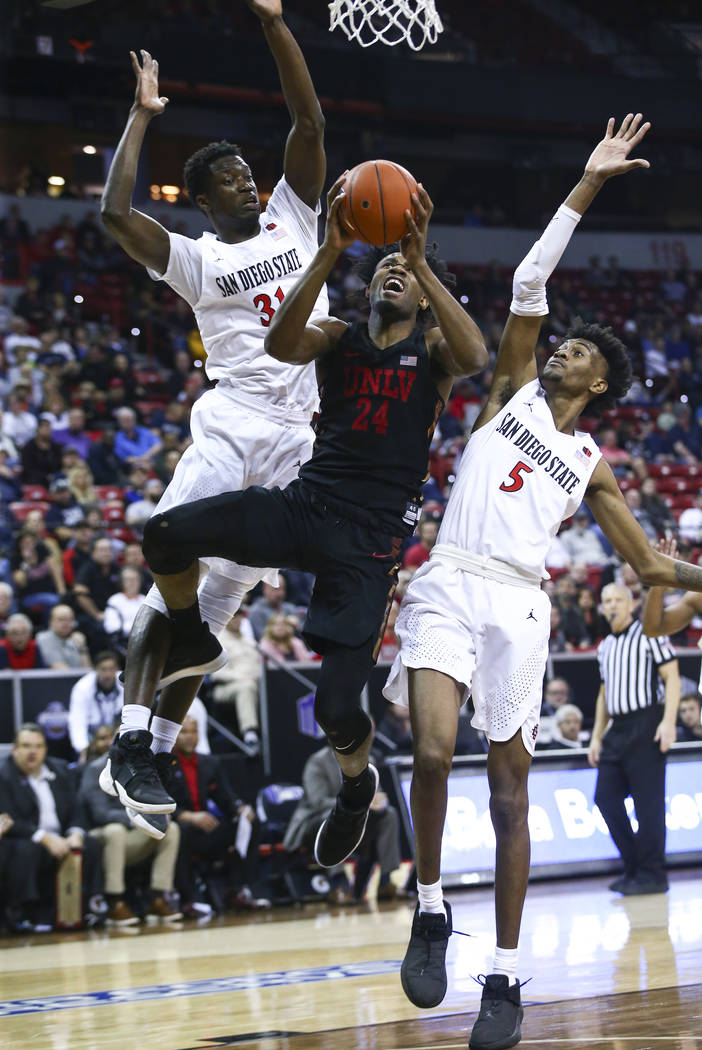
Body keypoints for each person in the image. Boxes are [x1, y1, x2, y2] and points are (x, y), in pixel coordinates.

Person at [379, 116, 702, 1049]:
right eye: (561, 343)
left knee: (513, 795)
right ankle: (432, 905)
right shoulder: (510, 387)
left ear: (601, 383)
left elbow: (647, 565)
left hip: (520, 602)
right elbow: (528, 284)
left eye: (579, 352)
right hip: (450, 578)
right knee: (434, 755)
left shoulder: (591, 461)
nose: (561, 348)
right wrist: (588, 183)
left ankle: (506, 978)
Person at [128, 171, 488, 876]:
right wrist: (325, 253)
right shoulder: (339, 336)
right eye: (383, 267)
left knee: (336, 711)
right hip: (306, 505)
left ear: (420, 289)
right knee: (164, 534)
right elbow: (279, 345)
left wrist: (418, 260)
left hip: (368, 544)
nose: (391, 275)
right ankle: (195, 634)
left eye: (403, 273)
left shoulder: (436, 356)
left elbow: (477, 355)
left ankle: (357, 788)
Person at [99, 0, 330, 829]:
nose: (247, 177)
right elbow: (116, 216)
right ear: (201, 196)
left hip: (297, 438)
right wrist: (139, 117)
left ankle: (157, 748)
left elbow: (306, 116)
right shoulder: (198, 260)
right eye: (229, 175)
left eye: (247, 169)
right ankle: (127, 742)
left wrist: (274, 23)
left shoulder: (294, 218)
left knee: (218, 618)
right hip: (233, 424)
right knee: (174, 595)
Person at [588, 583, 679, 895]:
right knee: (605, 797)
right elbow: (603, 694)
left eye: (617, 600)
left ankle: (654, 874)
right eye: (607, 600)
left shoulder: (649, 633)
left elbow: (673, 677)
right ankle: (634, 866)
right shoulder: (604, 647)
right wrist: (597, 736)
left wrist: (669, 722)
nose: (612, 605)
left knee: (647, 805)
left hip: (646, 722)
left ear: (631, 604)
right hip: (618, 729)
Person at [0, 723, 102, 930]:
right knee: (25, 850)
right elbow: (9, 819)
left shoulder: (60, 770)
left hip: (61, 835)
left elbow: (77, 808)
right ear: (15, 749)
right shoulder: (4, 775)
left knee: (91, 845)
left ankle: (92, 907)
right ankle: (25, 913)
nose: (32, 752)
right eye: (26, 746)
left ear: (45, 749)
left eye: (38, 746)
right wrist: (43, 837)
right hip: (27, 838)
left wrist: (75, 833)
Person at [168, 717, 268, 914]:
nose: (190, 737)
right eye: (184, 732)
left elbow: (227, 798)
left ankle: (239, 890)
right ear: (174, 736)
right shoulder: (165, 765)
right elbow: (161, 803)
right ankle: (187, 900)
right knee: (182, 830)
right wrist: (188, 816)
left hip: (207, 829)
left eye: (194, 731)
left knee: (247, 824)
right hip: (182, 827)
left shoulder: (209, 763)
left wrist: (241, 809)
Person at [283, 743, 405, 901]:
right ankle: (338, 884)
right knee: (331, 816)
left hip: (355, 818)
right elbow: (317, 802)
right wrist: (353, 802)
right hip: (315, 823)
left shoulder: (366, 759)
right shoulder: (317, 761)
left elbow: (375, 794)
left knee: (388, 814)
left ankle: (386, 882)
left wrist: (380, 801)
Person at [80, 737, 181, 926]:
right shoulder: (95, 768)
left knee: (171, 828)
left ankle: (157, 898)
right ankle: (114, 902)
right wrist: (138, 817)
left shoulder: (146, 766)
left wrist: (157, 815)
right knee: (115, 831)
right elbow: (100, 814)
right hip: (99, 837)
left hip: (128, 838)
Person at [68, 652, 124, 762]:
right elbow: (77, 721)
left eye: (111, 669)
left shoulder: (125, 682)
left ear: (117, 669)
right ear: (95, 670)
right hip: (92, 738)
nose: (108, 674)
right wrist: (83, 750)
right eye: (103, 669)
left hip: (117, 735)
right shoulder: (82, 687)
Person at [36, 603, 92, 669]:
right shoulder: (44, 638)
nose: (66, 623)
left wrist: (82, 648)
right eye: (61, 619)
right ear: (51, 622)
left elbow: (87, 671)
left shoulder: (76, 639)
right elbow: (61, 671)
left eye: (70, 619)